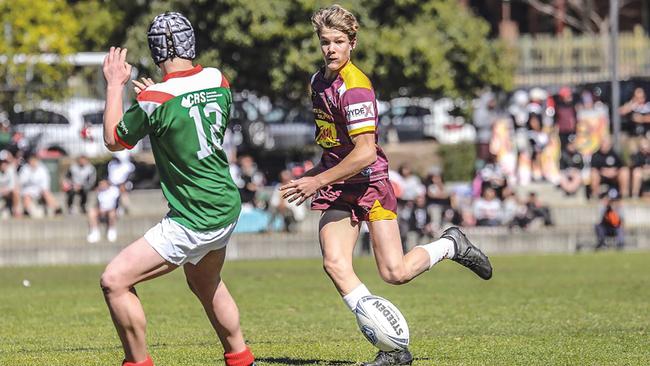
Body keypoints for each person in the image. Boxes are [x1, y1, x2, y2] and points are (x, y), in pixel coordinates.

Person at [280, 6, 492, 366]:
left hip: (370, 184)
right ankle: (394, 349)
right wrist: (313, 174)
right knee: (334, 263)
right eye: (325, 42)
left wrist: (317, 179)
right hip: (338, 186)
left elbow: (364, 154)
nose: (330, 49)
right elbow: (335, 147)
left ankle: (450, 244)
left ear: (353, 44)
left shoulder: (356, 89)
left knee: (395, 273)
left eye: (338, 42)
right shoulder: (318, 82)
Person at [100, 12, 255, 366]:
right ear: (191, 43)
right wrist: (152, 102)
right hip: (226, 205)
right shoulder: (220, 80)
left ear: (155, 52)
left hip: (194, 216)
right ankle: (241, 357)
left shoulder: (155, 98)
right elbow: (185, 112)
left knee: (114, 281)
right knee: (206, 282)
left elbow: (113, 139)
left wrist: (114, 85)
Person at [87, 179, 120, 243]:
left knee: (112, 213)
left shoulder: (114, 191)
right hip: (102, 210)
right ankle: (95, 231)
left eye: (102, 184)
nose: (101, 185)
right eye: (100, 184)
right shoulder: (99, 192)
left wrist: (108, 209)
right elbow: (98, 204)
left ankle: (111, 230)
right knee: (91, 212)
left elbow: (116, 204)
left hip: (112, 210)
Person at [0, 150, 21, 217]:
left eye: (6, 162)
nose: (3, 164)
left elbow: (12, 187)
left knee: (16, 191)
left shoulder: (11, 170)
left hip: (8, 193)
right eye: (1, 162)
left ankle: (15, 211)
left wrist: (3, 190)